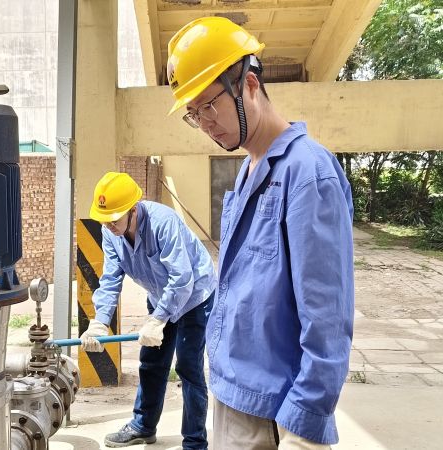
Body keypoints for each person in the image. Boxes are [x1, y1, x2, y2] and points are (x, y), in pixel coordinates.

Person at [166, 17, 354, 450]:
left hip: (274, 414)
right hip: (231, 396)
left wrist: (304, 427)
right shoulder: (247, 174)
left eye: (208, 105)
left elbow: (327, 319)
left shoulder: (308, 174)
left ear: (249, 83)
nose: (206, 123)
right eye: (194, 114)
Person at [79, 171, 216, 449]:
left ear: (133, 210)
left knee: (188, 368)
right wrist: (99, 322)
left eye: (114, 220)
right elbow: (110, 278)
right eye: (103, 221)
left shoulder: (163, 223)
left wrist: (158, 320)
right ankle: (143, 426)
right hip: (159, 296)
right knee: (152, 363)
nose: (109, 226)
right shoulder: (111, 232)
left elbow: (182, 279)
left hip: (194, 297)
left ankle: (194, 441)